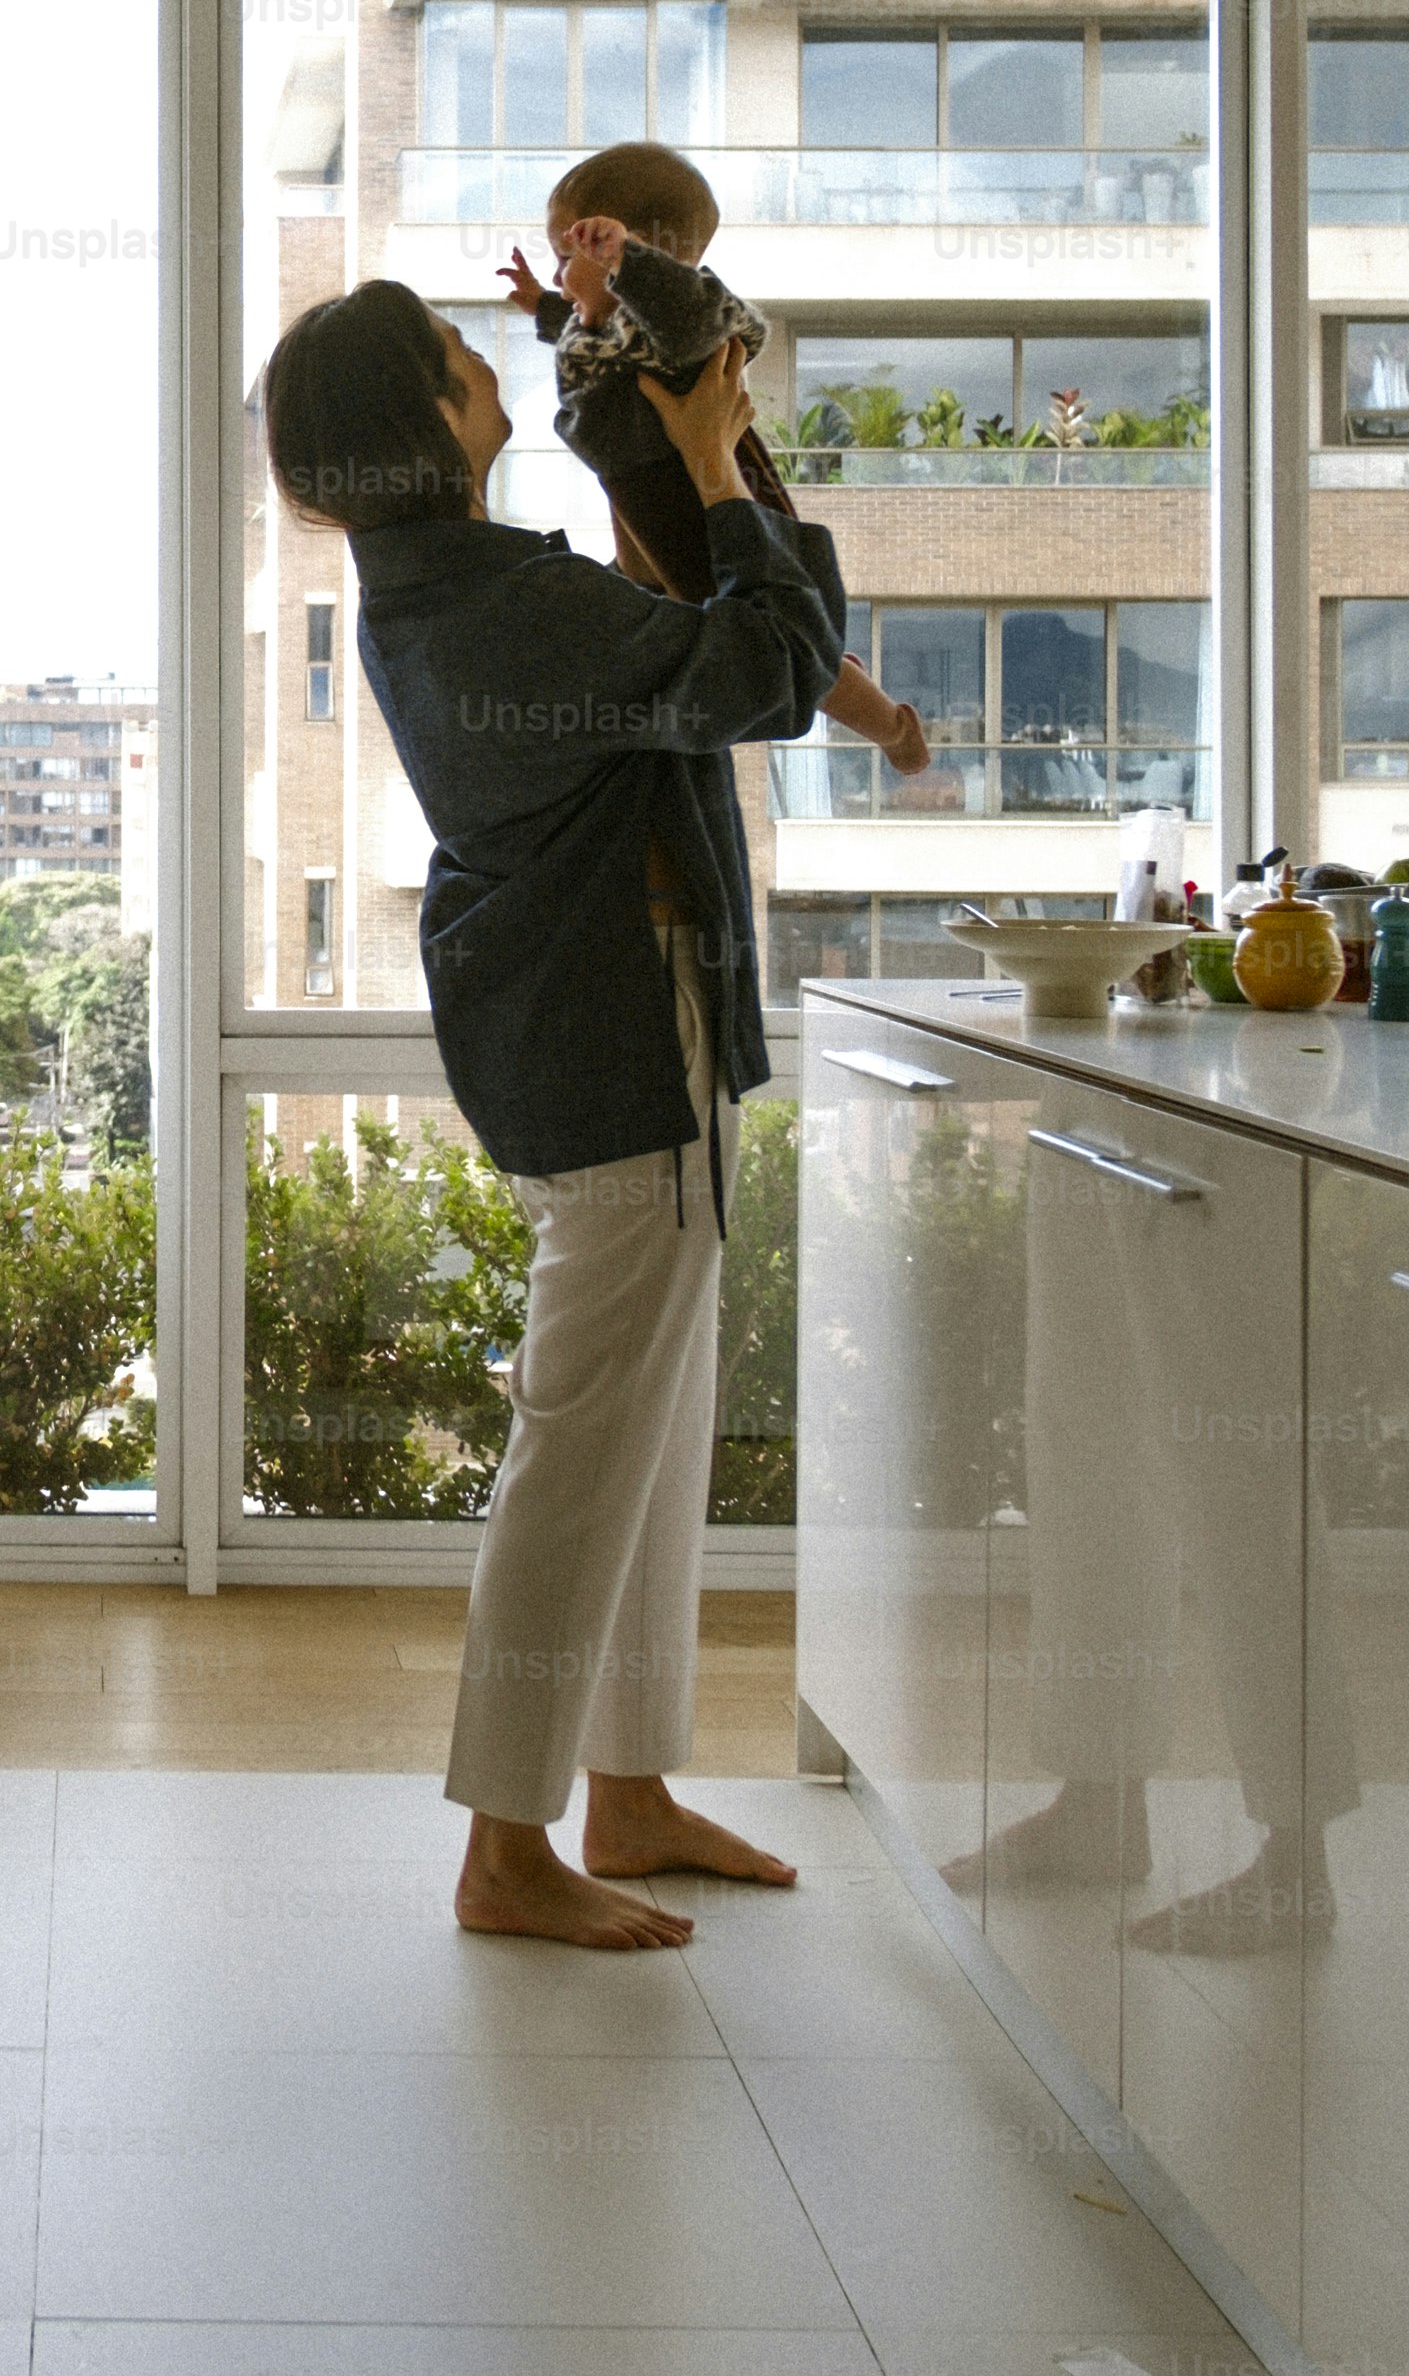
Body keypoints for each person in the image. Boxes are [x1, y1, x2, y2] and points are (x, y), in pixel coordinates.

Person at [258, 273, 844, 1950]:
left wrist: (678, 436)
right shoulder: (499, 604)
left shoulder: (453, 583)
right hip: (615, 1037)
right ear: (420, 418)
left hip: (618, 1027)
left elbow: (713, 650)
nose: (477, 355)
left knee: (643, 1436)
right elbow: (772, 667)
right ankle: (504, 1846)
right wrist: (715, 465)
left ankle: (626, 1790)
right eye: (453, 354)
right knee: (583, 1448)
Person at [495, 140, 929, 778]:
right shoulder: (614, 323)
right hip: (638, 493)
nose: (561, 276)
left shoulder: (676, 326)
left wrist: (629, 262)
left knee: (757, 638)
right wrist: (543, 303)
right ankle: (828, 668)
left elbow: (698, 316)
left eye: (568, 260)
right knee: (668, 605)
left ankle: (888, 722)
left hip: (699, 500)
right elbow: (583, 334)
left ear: (633, 255)